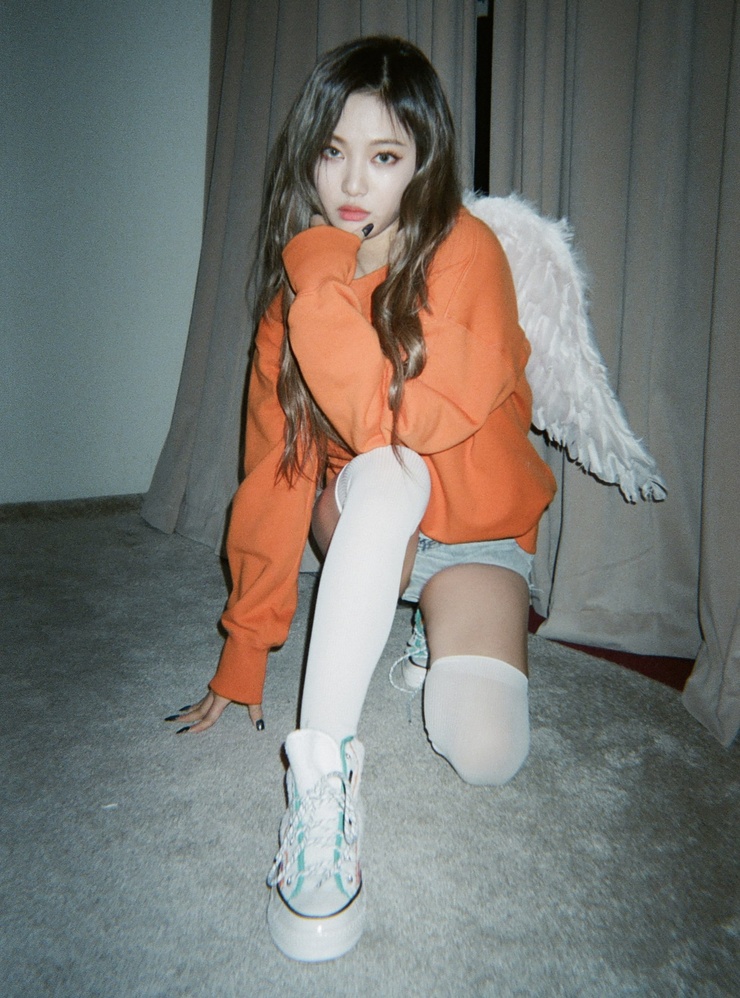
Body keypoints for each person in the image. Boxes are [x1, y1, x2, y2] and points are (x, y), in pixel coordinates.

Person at [167, 36, 557, 962]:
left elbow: (412, 415)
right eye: (332, 151)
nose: (351, 182)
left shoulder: (468, 253)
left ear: (423, 161)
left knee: (487, 755)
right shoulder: (298, 293)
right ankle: (322, 787)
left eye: (384, 156)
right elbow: (275, 472)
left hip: (473, 528)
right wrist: (246, 645)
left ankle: (432, 629)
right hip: (371, 513)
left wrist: (324, 288)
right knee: (385, 474)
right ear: (307, 154)